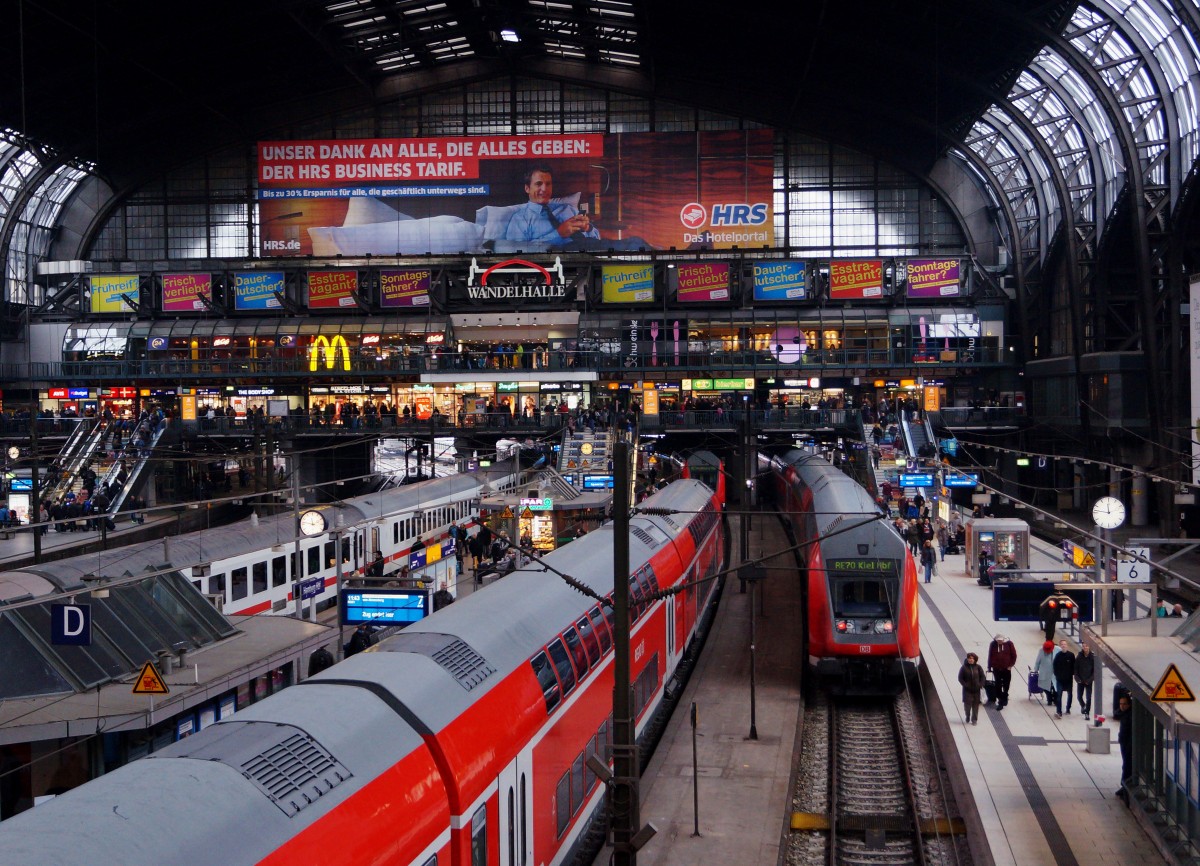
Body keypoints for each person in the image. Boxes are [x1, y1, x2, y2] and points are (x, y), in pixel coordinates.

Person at [503, 165, 600, 248]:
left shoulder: (567, 208)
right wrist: (558, 234)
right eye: (538, 184)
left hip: (592, 252)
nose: (544, 189)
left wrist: (588, 228)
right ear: (527, 188)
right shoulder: (519, 219)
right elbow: (518, 252)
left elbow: (598, 238)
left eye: (548, 184)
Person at [1113, 691, 1134, 802]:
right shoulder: (1124, 713)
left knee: (1126, 766)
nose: (1122, 706)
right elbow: (1116, 714)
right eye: (1120, 704)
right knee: (1125, 765)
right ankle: (1124, 785)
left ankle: (1124, 786)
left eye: (1124, 704)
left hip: (1128, 744)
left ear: (1129, 705)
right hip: (1124, 742)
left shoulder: (1130, 715)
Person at [987, 633, 1017, 710]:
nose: (999, 642)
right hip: (996, 668)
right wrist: (989, 666)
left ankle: (1005, 695)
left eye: (1001, 640)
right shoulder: (993, 645)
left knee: (1006, 684)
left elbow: (1014, 655)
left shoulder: (1009, 644)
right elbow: (990, 655)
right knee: (998, 684)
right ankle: (1000, 700)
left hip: (1006, 668)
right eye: (998, 641)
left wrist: (1010, 665)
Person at [958, 652, 986, 725]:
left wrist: (981, 684)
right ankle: (967, 715)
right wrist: (965, 685)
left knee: (975, 706)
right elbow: (960, 678)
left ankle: (974, 720)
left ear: (975, 659)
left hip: (976, 690)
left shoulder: (978, 667)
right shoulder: (963, 668)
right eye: (969, 658)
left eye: (972, 658)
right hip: (967, 690)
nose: (970, 660)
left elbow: (983, 676)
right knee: (967, 705)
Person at [1053, 638, 1075, 718]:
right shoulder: (1058, 656)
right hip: (1060, 679)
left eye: (1065, 644)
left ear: (1067, 646)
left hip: (1068, 679)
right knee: (1059, 695)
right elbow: (1054, 666)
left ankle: (1068, 708)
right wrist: (1057, 675)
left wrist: (1072, 674)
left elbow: (1074, 666)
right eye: (1062, 645)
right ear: (1060, 646)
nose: (1063, 646)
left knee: (1070, 694)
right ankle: (1059, 711)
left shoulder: (1071, 655)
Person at [1034, 640, 1058, 707]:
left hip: (1055, 672)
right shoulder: (1041, 650)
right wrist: (1036, 669)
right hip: (1044, 672)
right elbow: (1037, 661)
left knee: (1056, 687)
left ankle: (1055, 699)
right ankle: (1049, 698)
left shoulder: (1057, 649)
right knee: (1044, 686)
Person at [1075, 642, 1095, 718]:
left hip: (1088, 681)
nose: (1085, 648)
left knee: (1088, 697)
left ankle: (1087, 712)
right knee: (1079, 696)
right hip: (1080, 680)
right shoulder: (1079, 657)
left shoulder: (1092, 657)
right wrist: (1077, 678)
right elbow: (1076, 669)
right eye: (1083, 646)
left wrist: (1090, 680)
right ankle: (1083, 706)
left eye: (1086, 646)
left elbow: (1094, 671)